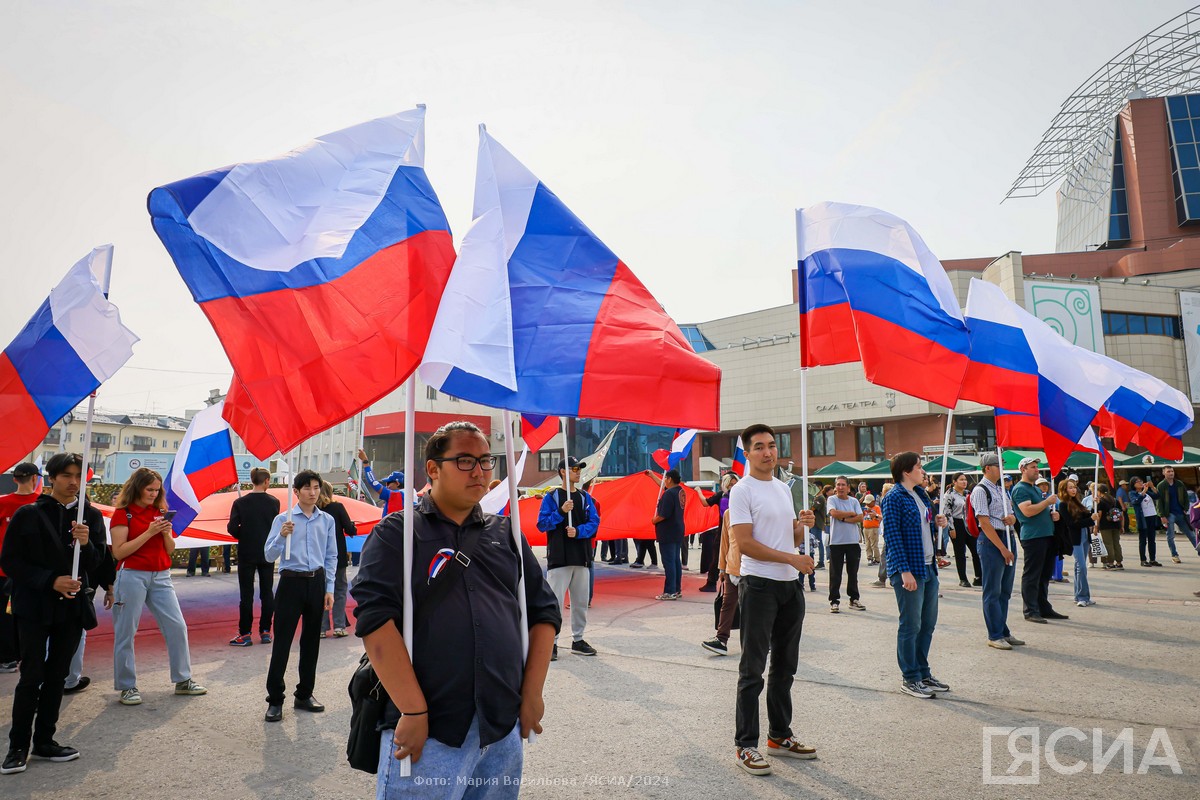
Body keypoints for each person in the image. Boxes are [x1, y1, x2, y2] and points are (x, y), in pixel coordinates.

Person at [350, 420, 560, 796]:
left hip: (501, 726)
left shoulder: (507, 534)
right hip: (429, 730)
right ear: (433, 469)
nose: (479, 471)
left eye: (485, 461)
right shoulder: (398, 534)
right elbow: (375, 623)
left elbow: (543, 613)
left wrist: (532, 694)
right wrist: (413, 711)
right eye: (464, 461)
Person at [0, 453, 105, 775]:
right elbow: (11, 563)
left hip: (71, 608)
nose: (74, 483)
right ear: (52, 478)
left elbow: (100, 563)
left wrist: (86, 546)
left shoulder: (91, 516)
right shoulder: (28, 514)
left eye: (79, 477)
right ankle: (18, 746)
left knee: (58, 675)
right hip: (33, 607)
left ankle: (45, 740)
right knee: (31, 675)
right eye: (67, 476)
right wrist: (50, 580)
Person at [728, 424, 817, 776]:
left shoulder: (782, 487)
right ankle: (745, 745)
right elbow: (746, 543)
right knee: (752, 669)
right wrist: (791, 559)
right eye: (759, 447)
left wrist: (803, 524)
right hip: (759, 586)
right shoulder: (741, 491)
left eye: (772, 446)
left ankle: (779, 736)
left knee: (785, 667)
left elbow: (789, 535)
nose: (768, 452)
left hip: (789, 588)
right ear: (747, 453)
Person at [109, 468, 206, 707]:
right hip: (131, 574)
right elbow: (119, 552)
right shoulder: (124, 514)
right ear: (137, 487)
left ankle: (183, 680)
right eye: (149, 489)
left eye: (156, 490)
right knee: (125, 631)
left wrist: (164, 534)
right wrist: (149, 532)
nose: (153, 494)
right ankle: (127, 686)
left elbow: (170, 549)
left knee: (177, 626)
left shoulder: (161, 512)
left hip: (161, 575)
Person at [262, 470, 337, 722]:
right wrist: (282, 536)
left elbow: (331, 556)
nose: (313, 492)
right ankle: (275, 700)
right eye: (307, 488)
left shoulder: (326, 520)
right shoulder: (282, 519)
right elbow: (269, 556)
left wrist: (329, 589)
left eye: (316, 487)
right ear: (295, 492)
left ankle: (305, 694)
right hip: (290, 583)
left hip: (316, 583)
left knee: (311, 643)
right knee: (282, 642)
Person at [881, 452, 949, 699]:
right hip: (910, 570)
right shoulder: (894, 497)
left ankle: (923, 672)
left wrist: (938, 521)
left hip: (928, 567)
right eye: (919, 467)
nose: (923, 471)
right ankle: (910, 678)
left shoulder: (921, 495)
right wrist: (904, 571)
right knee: (911, 625)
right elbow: (892, 536)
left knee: (927, 624)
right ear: (906, 471)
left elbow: (925, 525)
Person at [537, 457, 599, 658]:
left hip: (581, 557)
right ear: (563, 471)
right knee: (554, 602)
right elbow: (542, 524)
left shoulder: (584, 497)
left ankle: (578, 640)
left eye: (579, 469)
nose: (578, 472)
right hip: (559, 557)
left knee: (580, 602)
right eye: (574, 468)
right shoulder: (552, 497)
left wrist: (579, 531)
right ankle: (551, 643)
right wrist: (561, 512)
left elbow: (594, 523)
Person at [970, 454, 1022, 650]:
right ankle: (994, 634)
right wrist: (1002, 548)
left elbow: (1011, 515)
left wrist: (1012, 519)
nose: (1001, 469)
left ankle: (1003, 630)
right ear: (987, 469)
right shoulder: (980, 490)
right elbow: (984, 522)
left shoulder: (1001, 489)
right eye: (998, 465)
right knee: (992, 590)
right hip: (993, 542)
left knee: (1005, 591)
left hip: (1007, 536)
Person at [227, 468, 280, 646]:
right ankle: (266, 631)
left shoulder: (240, 502)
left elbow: (232, 528)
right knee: (267, 593)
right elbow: (276, 527)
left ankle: (245, 633)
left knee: (246, 594)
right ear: (266, 481)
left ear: (252, 481)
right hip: (267, 552)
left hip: (247, 552)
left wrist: (245, 533)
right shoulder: (274, 502)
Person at [1011, 459, 1066, 624]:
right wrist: (1047, 502)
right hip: (1033, 537)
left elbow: (1038, 509)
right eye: (1033, 467)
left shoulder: (1034, 488)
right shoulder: (1020, 489)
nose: (1037, 470)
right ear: (1023, 469)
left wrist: (1051, 514)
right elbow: (1027, 511)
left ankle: (1043, 607)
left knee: (1044, 574)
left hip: (1044, 535)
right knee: (1032, 575)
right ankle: (1030, 610)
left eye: (1037, 467)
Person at [0, 463, 42, 674]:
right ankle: (26, 656)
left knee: (5, 615)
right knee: (28, 615)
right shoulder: (43, 503)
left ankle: (8, 658)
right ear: (36, 479)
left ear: (15, 479)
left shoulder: (3, 503)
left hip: (5, 570)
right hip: (34, 572)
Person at [702, 474, 741, 655]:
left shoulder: (754, 512)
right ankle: (721, 639)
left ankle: (762, 639)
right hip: (733, 567)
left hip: (752, 569)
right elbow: (725, 543)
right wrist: (722, 569)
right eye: (731, 486)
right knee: (727, 603)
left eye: (737, 486)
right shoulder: (728, 514)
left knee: (753, 606)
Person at [318, 480, 357, 638]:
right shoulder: (338, 507)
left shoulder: (314, 509)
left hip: (318, 556)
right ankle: (339, 626)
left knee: (321, 591)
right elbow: (350, 529)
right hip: (338, 555)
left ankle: (321, 628)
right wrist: (353, 526)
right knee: (340, 590)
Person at [826, 477, 865, 613]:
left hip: (853, 541)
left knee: (853, 573)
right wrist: (849, 515)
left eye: (843, 485)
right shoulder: (832, 500)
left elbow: (860, 517)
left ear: (848, 487)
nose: (840, 487)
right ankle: (834, 600)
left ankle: (854, 598)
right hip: (837, 542)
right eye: (838, 485)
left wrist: (843, 519)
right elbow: (833, 513)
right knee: (835, 573)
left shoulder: (854, 501)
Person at [1055, 480, 1094, 607]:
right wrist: (1090, 520)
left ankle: (1080, 596)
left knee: (1079, 568)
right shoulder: (1062, 505)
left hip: (1084, 535)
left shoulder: (1077, 501)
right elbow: (1071, 524)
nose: (1073, 490)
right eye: (1070, 488)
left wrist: (1094, 506)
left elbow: (1086, 516)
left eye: (1074, 487)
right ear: (1064, 490)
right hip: (1075, 537)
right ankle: (1083, 596)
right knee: (1081, 566)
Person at [941, 473, 981, 588]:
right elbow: (947, 512)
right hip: (956, 523)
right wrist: (951, 528)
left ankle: (979, 576)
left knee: (976, 550)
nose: (964, 482)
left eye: (965, 480)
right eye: (961, 480)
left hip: (968, 523)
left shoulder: (969, 494)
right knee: (960, 553)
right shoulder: (949, 494)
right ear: (954, 481)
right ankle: (963, 578)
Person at [652, 470, 687, 601]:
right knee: (675, 561)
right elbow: (662, 485)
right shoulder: (680, 491)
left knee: (669, 562)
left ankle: (670, 591)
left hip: (668, 531)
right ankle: (676, 589)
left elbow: (663, 514)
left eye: (665, 478)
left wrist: (654, 520)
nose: (664, 481)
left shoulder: (668, 494)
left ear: (670, 479)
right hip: (678, 530)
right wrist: (651, 475)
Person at [1155, 466, 1199, 563]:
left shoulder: (1179, 484)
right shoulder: (1161, 485)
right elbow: (1159, 501)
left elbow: (1186, 497)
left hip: (1180, 513)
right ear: (1164, 473)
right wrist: (1162, 515)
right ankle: (1174, 555)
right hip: (1169, 514)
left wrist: (1186, 508)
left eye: (1172, 471)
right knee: (1170, 536)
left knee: (1191, 534)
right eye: (1168, 471)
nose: (1171, 473)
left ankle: (1199, 551)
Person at [358, 449, 407, 519]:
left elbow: (373, 482)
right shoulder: (412, 496)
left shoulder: (395, 494)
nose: (387, 486)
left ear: (397, 483)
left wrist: (365, 461)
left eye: (389, 483)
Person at [1129, 477, 1162, 568]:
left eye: (1141, 481)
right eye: (1137, 482)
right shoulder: (1132, 493)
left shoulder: (1147, 492)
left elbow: (1157, 496)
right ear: (1133, 484)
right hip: (1143, 518)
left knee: (1152, 539)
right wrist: (1143, 491)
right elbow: (1136, 501)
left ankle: (1152, 559)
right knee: (1143, 540)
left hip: (1151, 516)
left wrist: (1152, 487)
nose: (1140, 483)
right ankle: (1143, 560)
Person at [1093, 484, 1124, 570]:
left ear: (1099, 492)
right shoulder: (1114, 500)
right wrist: (1122, 526)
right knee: (1116, 544)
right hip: (1116, 524)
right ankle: (1119, 562)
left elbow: (1099, 515)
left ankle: (1110, 563)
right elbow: (1121, 514)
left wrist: (1096, 526)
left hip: (1105, 525)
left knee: (1108, 544)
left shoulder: (1101, 502)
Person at [810, 484, 831, 570]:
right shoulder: (816, 497)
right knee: (813, 542)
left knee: (819, 542)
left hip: (817, 523)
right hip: (814, 523)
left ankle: (821, 562)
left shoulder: (820, 498)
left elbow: (812, 508)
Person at [861, 494, 881, 566]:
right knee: (867, 544)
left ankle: (877, 558)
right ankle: (869, 558)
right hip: (865, 528)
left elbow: (880, 517)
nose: (867, 504)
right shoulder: (866, 508)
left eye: (869, 502)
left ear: (873, 501)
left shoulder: (876, 508)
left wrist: (875, 514)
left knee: (874, 544)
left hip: (873, 528)